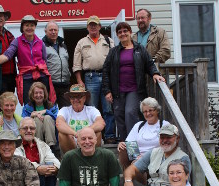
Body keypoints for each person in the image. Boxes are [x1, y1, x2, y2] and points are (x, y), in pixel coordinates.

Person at [102, 22, 165, 141]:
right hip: (117, 91)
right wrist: (107, 91)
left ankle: (134, 144)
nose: (123, 34)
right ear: (117, 35)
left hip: (135, 89)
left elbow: (149, 64)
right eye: (120, 32)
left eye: (125, 31)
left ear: (130, 32)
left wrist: (155, 74)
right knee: (119, 116)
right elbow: (105, 71)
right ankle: (125, 145)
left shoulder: (139, 49)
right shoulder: (113, 52)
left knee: (130, 113)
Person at [122, 124, 191, 186]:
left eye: (169, 137)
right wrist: (128, 181)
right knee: (123, 182)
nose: (164, 140)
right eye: (162, 137)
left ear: (177, 138)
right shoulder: (153, 152)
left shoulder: (183, 158)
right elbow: (131, 169)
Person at [0, 15, 56, 106]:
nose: (29, 28)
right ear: (22, 27)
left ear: (35, 27)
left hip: (42, 77)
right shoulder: (17, 42)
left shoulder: (40, 42)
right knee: (29, 104)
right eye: (27, 25)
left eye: (32, 25)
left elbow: (45, 61)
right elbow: (6, 56)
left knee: (45, 103)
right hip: (26, 78)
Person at [73, 15, 116, 144]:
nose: (93, 27)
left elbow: (114, 62)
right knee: (92, 109)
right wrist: (80, 81)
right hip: (89, 78)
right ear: (87, 27)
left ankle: (109, 136)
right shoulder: (81, 42)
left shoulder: (108, 41)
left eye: (95, 24)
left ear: (99, 26)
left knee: (108, 108)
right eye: (90, 25)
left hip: (106, 77)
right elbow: (76, 64)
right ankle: (93, 137)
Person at [15, 117, 60, 186]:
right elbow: (20, 162)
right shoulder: (15, 145)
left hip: (43, 178)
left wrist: (54, 167)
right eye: (25, 128)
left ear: (35, 130)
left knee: (50, 168)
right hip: (23, 180)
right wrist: (38, 167)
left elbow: (54, 159)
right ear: (19, 130)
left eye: (31, 128)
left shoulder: (41, 144)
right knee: (38, 171)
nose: (29, 131)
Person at [118, 97, 169, 169]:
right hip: (137, 159)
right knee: (122, 148)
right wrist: (123, 145)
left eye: (150, 110)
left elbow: (168, 145)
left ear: (157, 110)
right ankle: (128, 174)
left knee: (139, 164)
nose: (148, 113)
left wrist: (145, 158)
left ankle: (132, 175)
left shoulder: (164, 125)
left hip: (156, 159)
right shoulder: (139, 125)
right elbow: (130, 143)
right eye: (145, 111)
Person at [56, 84, 105, 154]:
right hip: (71, 144)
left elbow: (101, 123)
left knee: (98, 133)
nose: (75, 100)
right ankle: (71, 159)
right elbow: (59, 124)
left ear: (84, 98)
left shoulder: (92, 110)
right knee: (62, 134)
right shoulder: (64, 110)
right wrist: (75, 134)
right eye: (72, 97)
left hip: (89, 143)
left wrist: (84, 133)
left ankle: (93, 158)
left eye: (79, 97)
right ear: (70, 99)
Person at [42, 21, 71, 108]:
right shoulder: (41, 45)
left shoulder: (63, 45)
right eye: (51, 30)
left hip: (64, 85)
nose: (53, 32)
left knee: (66, 111)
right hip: (50, 85)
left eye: (55, 30)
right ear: (45, 31)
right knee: (50, 111)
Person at [22, 82, 58, 148]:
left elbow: (58, 119)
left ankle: (51, 146)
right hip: (36, 136)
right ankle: (38, 145)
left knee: (47, 117)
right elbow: (22, 123)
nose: (38, 95)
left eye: (41, 93)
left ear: (44, 94)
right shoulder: (27, 108)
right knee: (36, 119)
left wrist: (46, 111)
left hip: (51, 134)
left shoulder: (52, 106)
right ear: (32, 95)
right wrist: (31, 116)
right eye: (36, 93)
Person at [0, 92, 22, 157]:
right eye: (6, 105)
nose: (9, 108)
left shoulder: (20, 120)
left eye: (12, 105)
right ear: (1, 107)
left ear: (15, 106)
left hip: (17, 150)